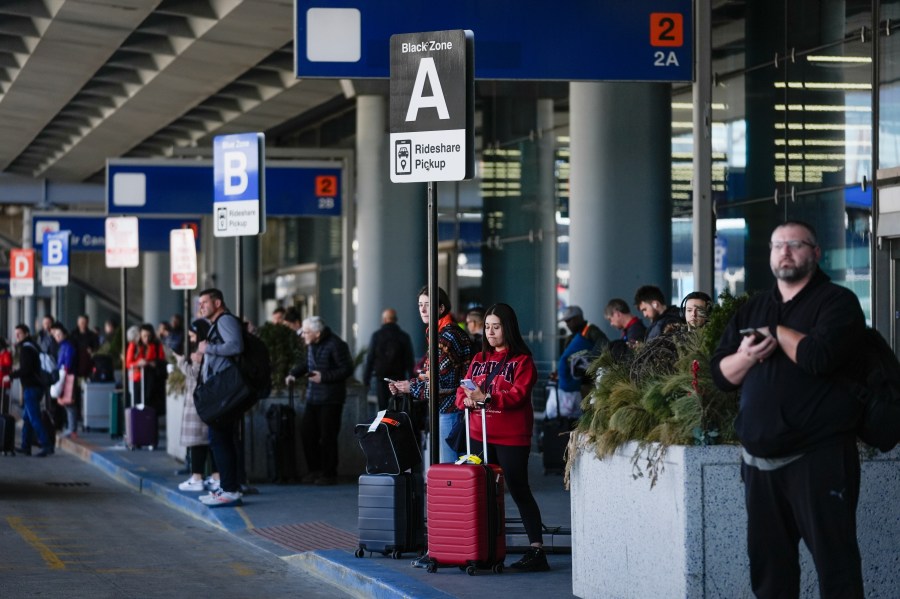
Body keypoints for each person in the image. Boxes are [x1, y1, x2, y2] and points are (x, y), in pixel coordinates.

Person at [710, 220, 866, 598]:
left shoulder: (837, 302)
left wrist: (776, 331)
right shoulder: (754, 307)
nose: (785, 251)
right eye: (778, 245)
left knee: (836, 568)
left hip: (819, 458)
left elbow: (818, 357)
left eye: (796, 244)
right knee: (770, 570)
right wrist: (746, 356)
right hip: (760, 464)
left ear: (815, 253)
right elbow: (720, 374)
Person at [457, 303, 549, 572]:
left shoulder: (523, 361)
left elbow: (518, 395)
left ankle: (536, 550)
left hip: (511, 437)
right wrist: (468, 400)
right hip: (478, 433)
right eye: (487, 327)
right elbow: (462, 392)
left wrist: (487, 397)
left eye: (496, 327)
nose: (490, 332)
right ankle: (480, 548)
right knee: (479, 493)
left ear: (508, 328)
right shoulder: (478, 360)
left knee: (519, 490)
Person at [389, 286, 476, 464]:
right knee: (450, 468)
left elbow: (443, 383)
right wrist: (408, 385)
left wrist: (410, 387)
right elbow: (434, 374)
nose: (422, 309)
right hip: (449, 409)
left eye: (428, 305)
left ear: (441, 308)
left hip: (451, 410)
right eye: (420, 304)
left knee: (450, 470)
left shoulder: (447, 337)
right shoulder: (440, 333)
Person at [285, 316, 353, 486]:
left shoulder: (336, 344)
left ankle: (329, 473)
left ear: (317, 333)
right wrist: (293, 374)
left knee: (328, 436)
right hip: (313, 397)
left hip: (331, 398)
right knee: (307, 433)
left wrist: (324, 377)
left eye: (306, 332)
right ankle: (314, 470)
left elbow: (347, 369)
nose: (303, 335)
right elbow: (306, 364)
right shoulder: (312, 345)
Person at [195, 288, 244, 507]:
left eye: (204, 302)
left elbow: (235, 346)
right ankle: (227, 487)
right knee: (221, 439)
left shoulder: (225, 320)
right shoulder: (219, 322)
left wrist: (208, 348)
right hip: (222, 390)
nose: (201, 307)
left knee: (219, 439)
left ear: (217, 303)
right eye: (200, 303)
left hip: (226, 391)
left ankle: (230, 489)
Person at [174, 318, 219, 494]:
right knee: (209, 442)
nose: (191, 339)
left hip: (198, 403)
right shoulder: (210, 348)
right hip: (207, 402)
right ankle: (215, 477)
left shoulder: (202, 352)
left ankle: (197, 478)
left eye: (193, 336)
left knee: (197, 442)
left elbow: (194, 374)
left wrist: (181, 361)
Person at [5, 325, 52, 457]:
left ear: (26, 334)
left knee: (34, 418)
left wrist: (11, 376)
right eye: (16, 333)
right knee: (27, 418)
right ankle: (26, 446)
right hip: (36, 387)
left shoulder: (26, 349)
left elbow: (27, 369)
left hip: (31, 388)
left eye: (19, 333)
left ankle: (46, 444)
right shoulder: (33, 346)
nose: (17, 336)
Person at [557, 305, 608, 413]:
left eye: (569, 320)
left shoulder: (590, 330)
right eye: (566, 321)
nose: (567, 324)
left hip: (590, 384)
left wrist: (589, 361)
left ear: (578, 318)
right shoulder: (571, 338)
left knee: (590, 411)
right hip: (574, 386)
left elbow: (604, 344)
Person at [362, 308, 415, 411]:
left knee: (383, 409)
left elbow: (370, 358)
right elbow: (409, 360)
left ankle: (384, 426)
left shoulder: (376, 336)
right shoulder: (404, 336)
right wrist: (412, 379)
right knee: (399, 407)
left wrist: (366, 380)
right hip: (399, 378)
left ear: (384, 320)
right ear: (395, 320)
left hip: (381, 379)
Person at [125, 324, 166, 413]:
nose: (146, 339)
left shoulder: (157, 345)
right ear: (140, 335)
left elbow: (162, 360)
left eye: (149, 336)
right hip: (138, 380)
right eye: (144, 336)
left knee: (151, 406)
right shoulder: (134, 345)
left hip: (152, 381)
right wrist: (138, 363)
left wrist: (153, 363)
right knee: (138, 405)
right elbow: (128, 364)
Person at [50, 323, 77, 438]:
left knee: (69, 403)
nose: (57, 337)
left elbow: (68, 362)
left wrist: (63, 370)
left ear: (65, 335)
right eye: (56, 335)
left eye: (59, 335)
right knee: (66, 403)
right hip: (64, 375)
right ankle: (70, 427)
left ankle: (72, 429)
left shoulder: (68, 346)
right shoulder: (63, 346)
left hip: (67, 376)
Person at [69, 314, 100, 378]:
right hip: (75, 361)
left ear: (87, 323)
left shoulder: (92, 335)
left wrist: (92, 350)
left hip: (87, 362)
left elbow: (96, 348)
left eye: (84, 322)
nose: (82, 324)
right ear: (77, 323)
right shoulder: (73, 334)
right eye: (80, 322)